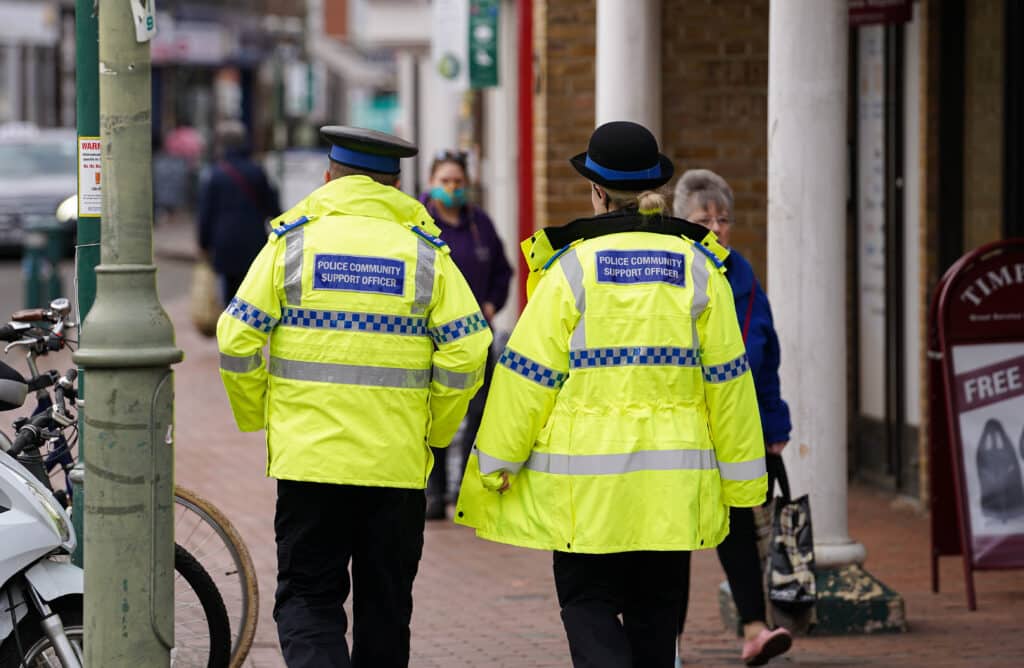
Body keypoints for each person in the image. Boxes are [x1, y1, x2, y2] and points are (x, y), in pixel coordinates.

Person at [455, 121, 768, 668]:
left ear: (596, 191)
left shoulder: (569, 270)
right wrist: (743, 484)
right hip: (670, 489)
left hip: (587, 491)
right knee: (655, 615)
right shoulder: (699, 268)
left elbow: (527, 376)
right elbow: (730, 386)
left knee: (587, 602)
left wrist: (496, 462)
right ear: (659, 191)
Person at [216, 126, 491, 668]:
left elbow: (236, 337)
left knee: (309, 599)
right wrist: (433, 430)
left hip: (310, 460)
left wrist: (260, 413)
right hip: (394, 462)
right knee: (385, 608)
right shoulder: (426, 255)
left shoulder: (292, 244)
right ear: (395, 184)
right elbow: (468, 348)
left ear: (328, 178)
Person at [673, 168, 793, 666]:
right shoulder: (670, 270)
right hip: (682, 425)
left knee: (741, 527)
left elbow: (766, 348)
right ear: (682, 223)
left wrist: (774, 423)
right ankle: (668, 643)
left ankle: (753, 628)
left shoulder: (741, 272)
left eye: (724, 219)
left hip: (737, 424)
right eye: (704, 219)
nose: (717, 228)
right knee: (672, 537)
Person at [419, 150, 513, 519]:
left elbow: (502, 272)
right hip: (433, 339)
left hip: (477, 337)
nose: (452, 188)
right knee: (436, 413)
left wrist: (492, 303)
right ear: (431, 184)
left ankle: (466, 490)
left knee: (478, 414)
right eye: (444, 181)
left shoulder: (481, 225)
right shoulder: (420, 224)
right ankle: (434, 491)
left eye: (458, 181)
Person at [198, 120, 282, 305]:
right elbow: (273, 207)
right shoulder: (256, 171)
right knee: (251, 289)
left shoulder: (215, 173)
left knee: (229, 291)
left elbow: (206, 213)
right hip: (253, 239)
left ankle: (230, 327)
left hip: (224, 240)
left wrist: (204, 243)